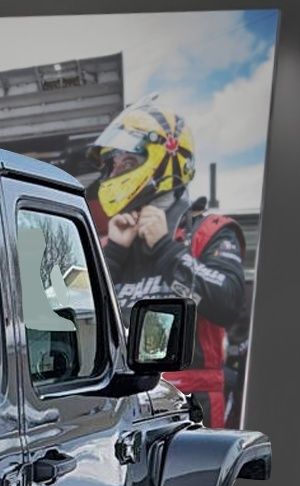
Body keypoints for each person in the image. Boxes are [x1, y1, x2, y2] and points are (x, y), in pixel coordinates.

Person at [90, 97, 248, 427]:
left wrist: (165, 249)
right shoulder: (112, 241)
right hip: (120, 410)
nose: (115, 172)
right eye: (112, 165)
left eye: (127, 162)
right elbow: (70, 317)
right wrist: (113, 255)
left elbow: (228, 303)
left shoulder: (209, 232)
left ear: (166, 160)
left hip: (192, 412)